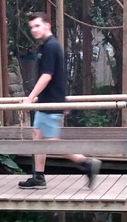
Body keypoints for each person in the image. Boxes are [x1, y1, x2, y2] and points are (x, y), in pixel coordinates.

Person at [18, 12, 101, 190]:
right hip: (47, 102)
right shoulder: (45, 46)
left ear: (47, 25)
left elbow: (47, 76)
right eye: (32, 27)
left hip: (50, 103)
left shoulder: (51, 47)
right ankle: (39, 176)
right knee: (37, 136)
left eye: (37, 26)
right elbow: (58, 76)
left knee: (51, 141)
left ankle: (86, 162)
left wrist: (30, 99)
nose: (34, 30)